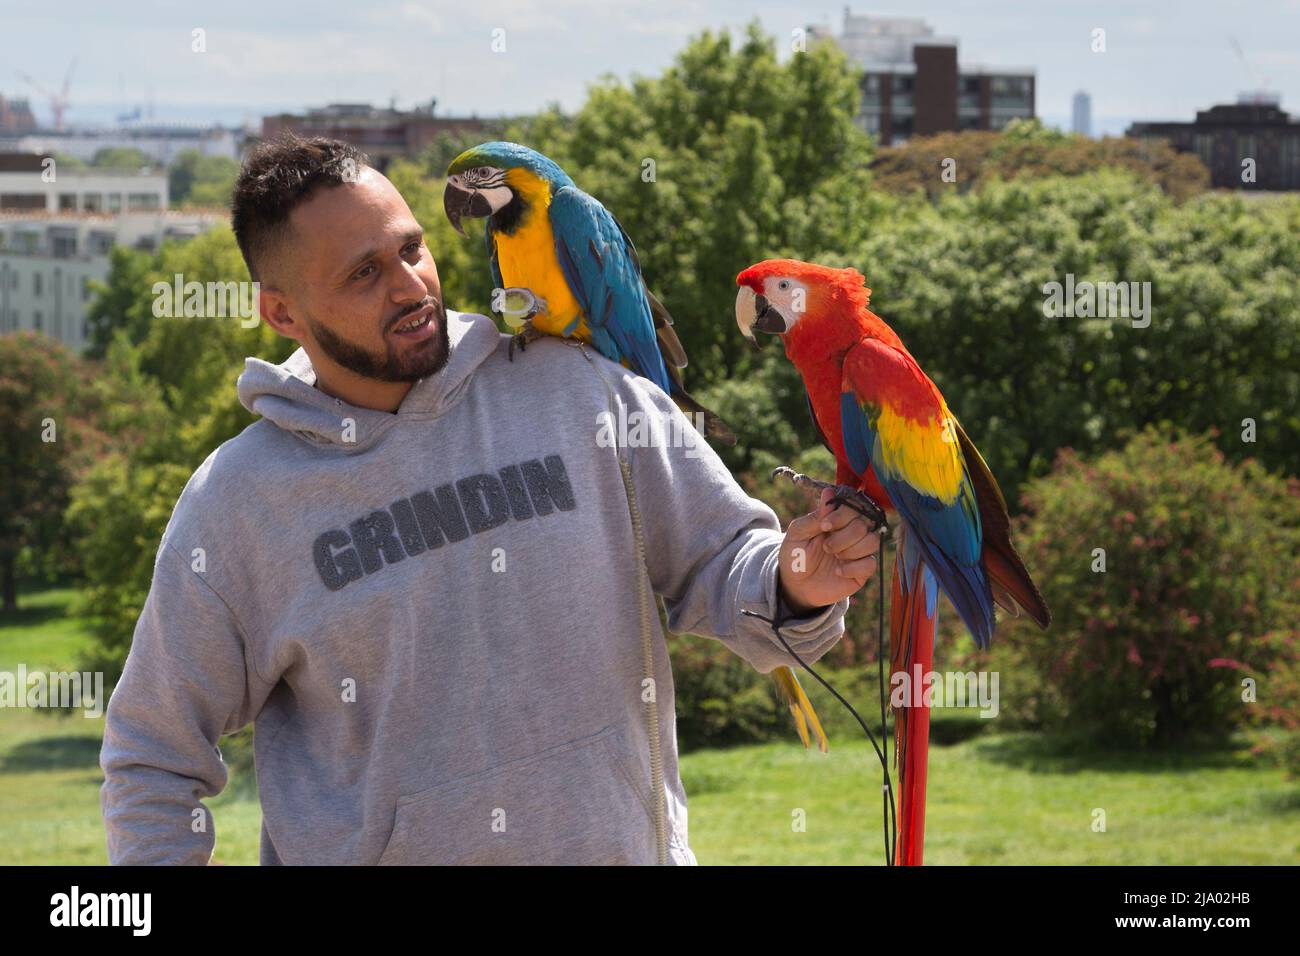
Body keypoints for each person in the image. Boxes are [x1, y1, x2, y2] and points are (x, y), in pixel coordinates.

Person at [98, 135, 882, 865]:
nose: (411, 287)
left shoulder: (580, 390)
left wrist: (796, 579)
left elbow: (725, 562)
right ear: (282, 313)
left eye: (412, 250)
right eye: (364, 273)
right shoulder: (239, 503)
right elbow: (153, 758)